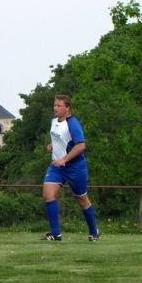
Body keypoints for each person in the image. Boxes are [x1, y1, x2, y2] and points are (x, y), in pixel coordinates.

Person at [42, 94, 100, 241]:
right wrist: (51, 147)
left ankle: (94, 232)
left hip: (75, 168)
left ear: (67, 108)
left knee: (82, 200)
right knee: (48, 194)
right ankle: (56, 234)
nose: (55, 108)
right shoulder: (54, 121)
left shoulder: (73, 124)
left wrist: (64, 159)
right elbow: (59, 140)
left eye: (59, 106)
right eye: (54, 105)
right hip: (57, 167)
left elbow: (81, 145)